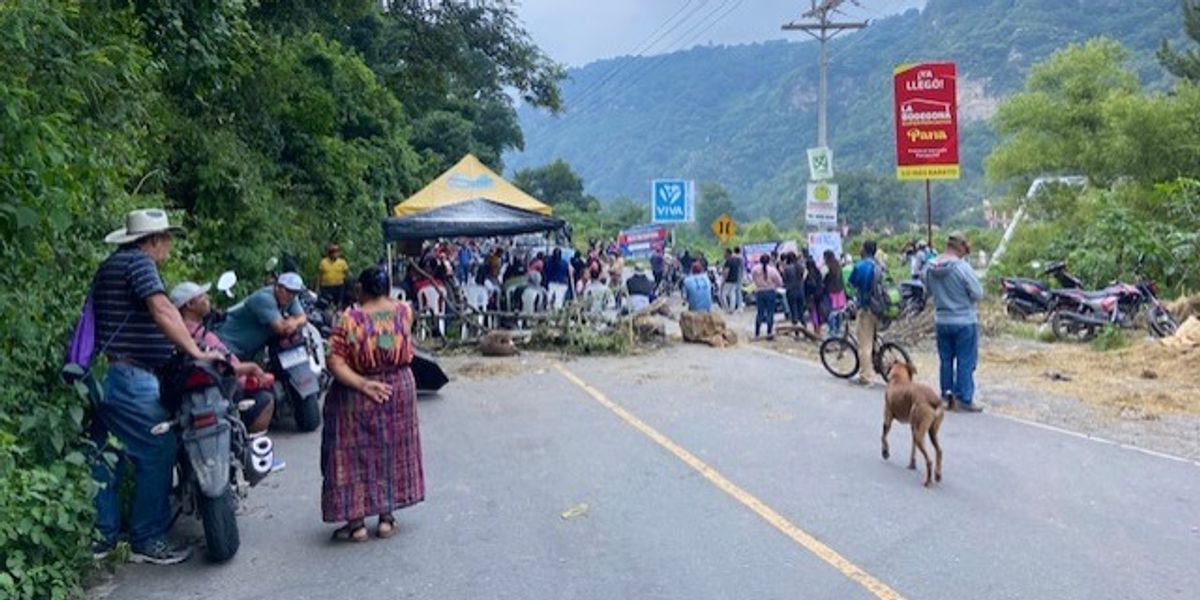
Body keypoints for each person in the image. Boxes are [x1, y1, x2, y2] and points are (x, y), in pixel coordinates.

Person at [91, 209, 222, 564]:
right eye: (165, 239)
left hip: (103, 374)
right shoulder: (138, 264)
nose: (168, 246)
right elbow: (163, 310)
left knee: (107, 454)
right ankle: (147, 538)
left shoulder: (111, 266)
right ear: (150, 241)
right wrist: (196, 350)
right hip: (128, 376)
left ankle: (102, 536)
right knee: (159, 446)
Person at [322, 267, 424, 542]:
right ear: (388, 289)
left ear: (361, 290)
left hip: (357, 392)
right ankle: (386, 519)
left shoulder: (348, 319)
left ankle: (356, 525)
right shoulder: (404, 311)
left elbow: (333, 360)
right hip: (398, 388)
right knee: (391, 450)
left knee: (352, 453)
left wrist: (363, 384)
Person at [171, 282, 275, 435]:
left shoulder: (186, 331)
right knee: (265, 398)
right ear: (190, 304)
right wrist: (253, 368)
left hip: (209, 390)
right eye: (202, 296)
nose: (208, 299)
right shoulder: (194, 335)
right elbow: (220, 367)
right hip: (221, 390)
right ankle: (251, 443)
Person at [923, 232, 985, 413]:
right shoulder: (962, 268)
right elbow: (978, 293)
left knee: (946, 360)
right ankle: (963, 398)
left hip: (941, 320)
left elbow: (927, 289)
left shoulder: (930, 267)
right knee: (966, 360)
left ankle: (946, 395)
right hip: (964, 320)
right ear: (960, 247)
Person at [216, 272, 308, 360]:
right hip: (228, 343)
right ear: (277, 287)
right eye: (287, 290)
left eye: (294, 292)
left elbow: (303, 317)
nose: (291, 295)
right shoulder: (265, 298)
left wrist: (294, 321)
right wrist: (293, 321)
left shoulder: (290, 298)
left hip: (248, 350)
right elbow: (281, 329)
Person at [848, 240, 884, 385]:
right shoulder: (879, 265)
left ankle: (866, 376)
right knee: (874, 339)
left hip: (867, 307)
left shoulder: (861, 266)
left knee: (864, 344)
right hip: (881, 308)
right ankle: (879, 365)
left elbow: (852, 284)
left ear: (864, 249)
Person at [751, 254, 783, 339]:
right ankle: (769, 332)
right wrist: (774, 286)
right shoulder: (773, 270)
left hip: (759, 292)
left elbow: (753, 279)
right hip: (770, 292)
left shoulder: (755, 269)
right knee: (770, 313)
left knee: (760, 313)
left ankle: (757, 333)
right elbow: (780, 282)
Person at [823, 249, 848, 336]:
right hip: (840, 292)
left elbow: (826, 281)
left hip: (831, 293)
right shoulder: (838, 265)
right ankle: (838, 329)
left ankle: (832, 330)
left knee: (831, 313)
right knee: (839, 313)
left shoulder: (828, 268)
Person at [317, 243, 350, 309]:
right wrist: (317, 288)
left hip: (338, 287)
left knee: (338, 305)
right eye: (334, 252)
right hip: (326, 287)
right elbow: (319, 276)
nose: (335, 254)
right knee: (324, 304)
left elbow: (347, 274)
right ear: (330, 253)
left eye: (337, 251)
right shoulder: (323, 262)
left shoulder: (342, 262)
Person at [781, 253, 805, 327]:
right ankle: (804, 325)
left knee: (793, 310)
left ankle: (796, 329)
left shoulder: (787, 269)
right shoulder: (801, 267)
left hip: (791, 292)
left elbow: (784, 280)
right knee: (801, 310)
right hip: (800, 290)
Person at [721, 247, 745, 313]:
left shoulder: (729, 261)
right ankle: (733, 308)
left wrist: (723, 280)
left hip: (729, 280)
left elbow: (726, 271)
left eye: (724, 253)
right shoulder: (738, 259)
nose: (723, 254)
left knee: (723, 294)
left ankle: (726, 308)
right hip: (736, 278)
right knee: (733, 293)